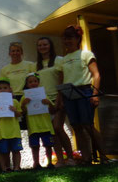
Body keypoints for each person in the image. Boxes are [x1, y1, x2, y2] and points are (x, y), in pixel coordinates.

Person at [56, 25, 111, 164]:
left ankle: (104, 157)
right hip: (69, 93)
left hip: (85, 91)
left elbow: (96, 75)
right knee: (76, 127)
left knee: (88, 125)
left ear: (77, 39)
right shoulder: (63, 59)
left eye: (70, 38)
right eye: (65, 38)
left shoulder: (86, 54)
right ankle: (86, 159)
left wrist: (95, 94)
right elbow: (61, 80)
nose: (67, 41)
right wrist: (60, 98)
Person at [35, 37, 74, 166]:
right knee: (52, 131)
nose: (42, 47)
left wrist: (59, 98)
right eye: (40, 45)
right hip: (44, 101)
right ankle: (60, 160)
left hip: (58, 98)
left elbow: (63, 80)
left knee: (58, 127)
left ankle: (71, 158)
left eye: (45, 44)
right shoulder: (36, 65)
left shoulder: (59, 60)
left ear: (50, 45)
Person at [20, 73, 57, 169]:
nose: (33, 83)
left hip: (46, 126)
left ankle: (50, 163)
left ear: (38, 83)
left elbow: (53, 111)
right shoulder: (24, 97)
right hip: (33, 127)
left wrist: (49, 103)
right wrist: (23, 104)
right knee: (35, 146)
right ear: (27, 84)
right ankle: (36, 163)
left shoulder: (44, 96)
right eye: (30, 82)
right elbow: (22, 113)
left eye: (35, 81)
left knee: (48, 145)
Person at [0, 78, 23, 172]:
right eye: (0, 88)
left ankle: (17, 167)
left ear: (10, 89)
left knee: (16, 150)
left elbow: (20, 114)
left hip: (14, 131)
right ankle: (5, 168)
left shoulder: (15, 102)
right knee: (3, 151)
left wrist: (15, 111)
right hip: (2, 132)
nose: (3, 90)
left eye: (5, 88)